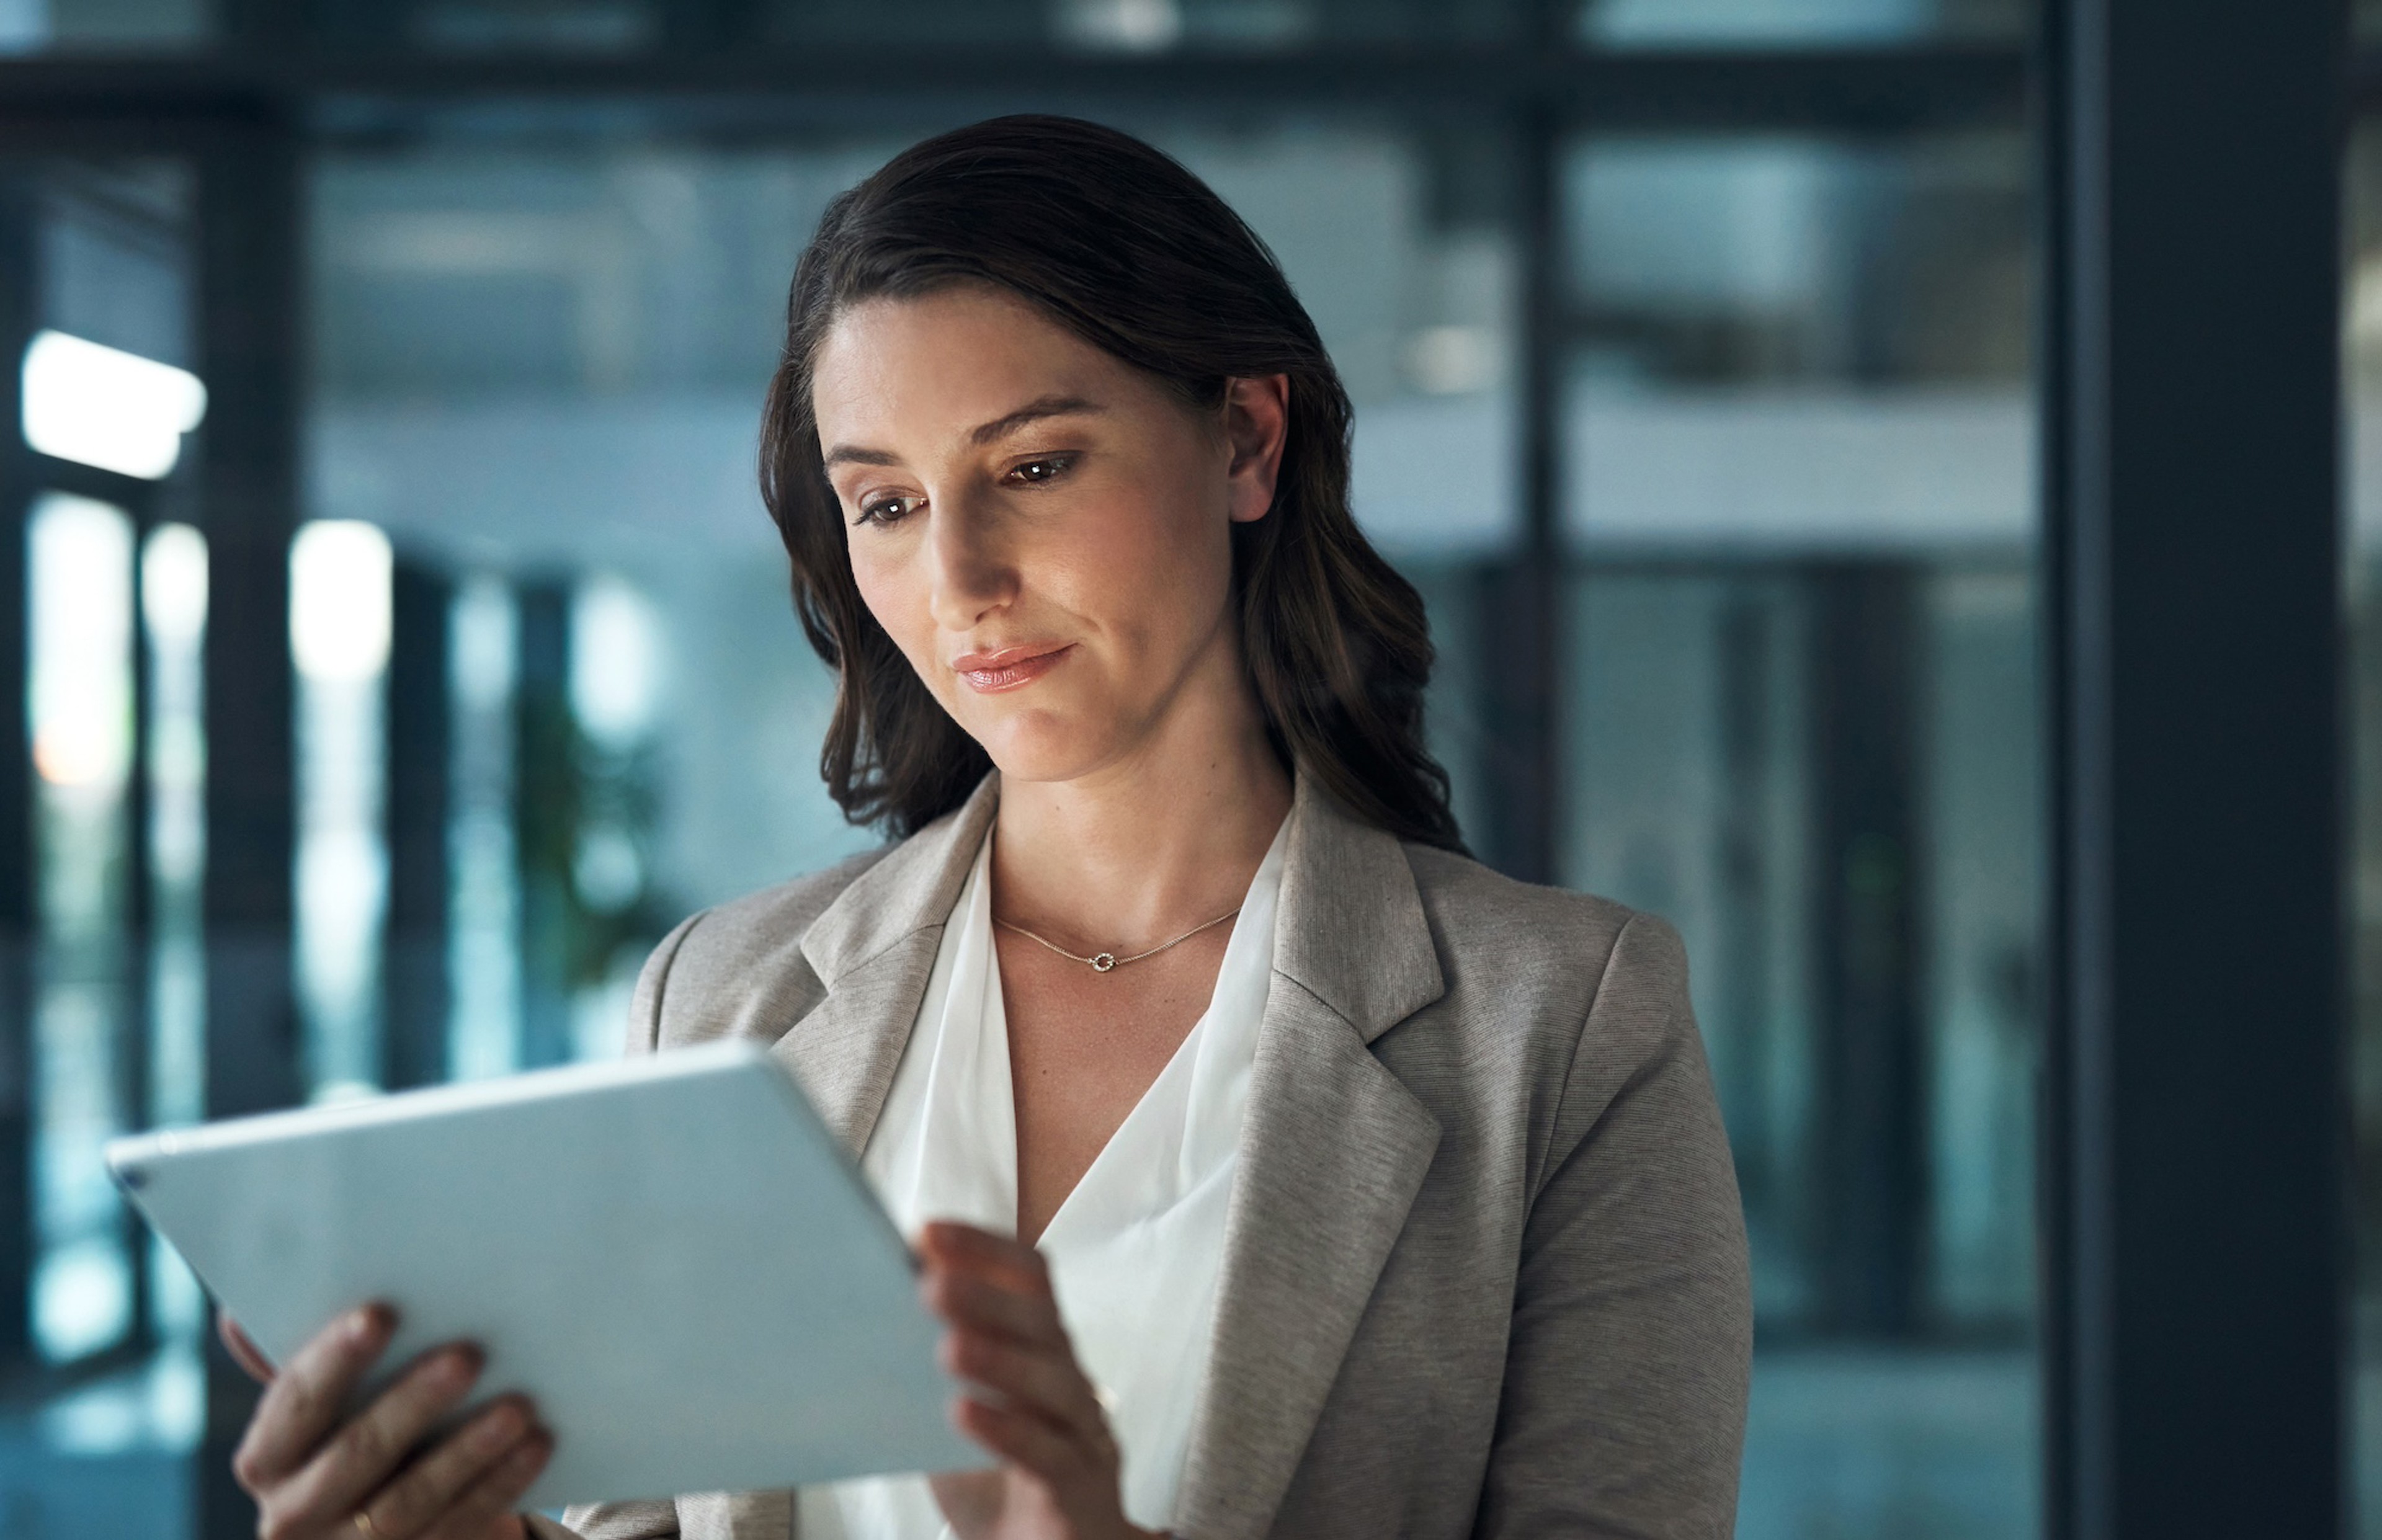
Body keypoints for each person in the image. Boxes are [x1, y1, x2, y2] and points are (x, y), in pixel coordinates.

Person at [218, 114, 1751, 1540]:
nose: (960, 580)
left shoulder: (1562, 1030)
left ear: (1246, 442)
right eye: (884, 504)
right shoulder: (724, 998)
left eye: (1031, 466)